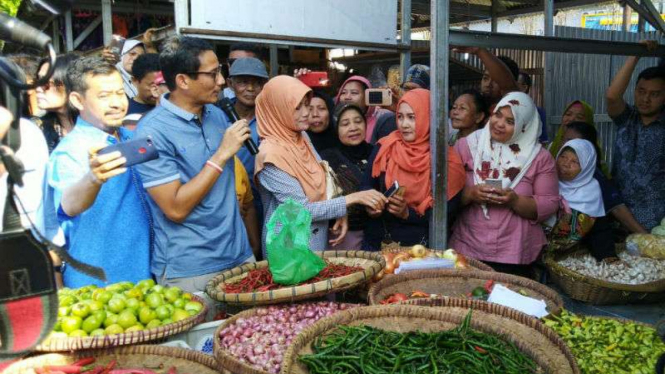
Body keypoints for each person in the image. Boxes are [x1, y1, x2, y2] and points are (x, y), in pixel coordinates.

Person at [134, 36, 254, 293]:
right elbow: (175, 208)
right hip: (191, 270)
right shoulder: (150, 132)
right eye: (213, 74)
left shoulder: (218, 114)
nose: (222, 82)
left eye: (220, 71)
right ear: (183, 81)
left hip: (239, 257)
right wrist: (221, 155)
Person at [44, 56, 151, 288]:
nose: (116, 103)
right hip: (98, 287)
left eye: (120, 93)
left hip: (147, 277)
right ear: (77, 100)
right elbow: (69, 206)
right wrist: (93, 178)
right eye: (104, 96)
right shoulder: (70, 152)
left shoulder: (132, 138)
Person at [254, 75, 388, 252]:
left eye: (306, 106)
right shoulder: (270, 156)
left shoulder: (301, 137)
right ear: (278, 109)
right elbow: (302, 211)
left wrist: (339, 211)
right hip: (289, 252)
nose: (306, 113)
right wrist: (351, 199)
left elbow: (324, 178)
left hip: (316, 243)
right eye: (297, 107)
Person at [449, 92, 559, 277]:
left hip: (515, 252)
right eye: (497, 115)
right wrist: (470, 194)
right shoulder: (467, 146)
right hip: (468, 246)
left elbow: (549, 204)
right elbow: (445, 192)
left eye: (510, 121)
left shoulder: (539, 157)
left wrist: (514, 201)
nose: (499, 123)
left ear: (525, 127)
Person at [362, 89, 466, 251]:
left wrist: (407, 214)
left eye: (412, 117)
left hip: (421, 249)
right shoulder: (385, 146)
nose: (404, 124)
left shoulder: (446, 161)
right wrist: (371, 205)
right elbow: (366, 185)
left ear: (428, 118)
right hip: (378, 242)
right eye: (400, 117)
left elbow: (445, 214)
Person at [606, 48, 665, 231]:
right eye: (641, 91)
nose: (645, 99)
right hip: (617, 219)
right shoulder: (627, 118)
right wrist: (635, 54)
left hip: (655, 225)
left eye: (654, 94)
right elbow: (612, 96)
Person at [563, 121, 648, 234]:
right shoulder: (551, 169)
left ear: (587, 146)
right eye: (564, 140)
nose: (566, 145)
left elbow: (617, 208)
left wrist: (647, 238)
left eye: (572, 141)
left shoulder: (595, 179)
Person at [548, 139, 616, 261]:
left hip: (568, 259)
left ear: (586, 167)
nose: (566, 164)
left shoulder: (590, 192)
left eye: (575, 161)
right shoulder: (545, 180)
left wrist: (608, 257)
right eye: (563, 157)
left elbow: (600, 231)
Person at [320, 103, 373, 249]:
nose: (353, 128)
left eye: (358, 121)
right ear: (336, 128)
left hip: (376, 232)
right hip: (343, 235)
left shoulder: (378, 152)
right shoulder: (327, 159)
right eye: (345, 123)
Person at [223, 57, 268, 180]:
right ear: (230, 84)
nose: (250, 88)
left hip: (259, 193)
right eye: (243, 82)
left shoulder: (270, 119)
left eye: (257, 83)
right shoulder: (217, 115)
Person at [33, 53, 80, 152]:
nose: (37, 88)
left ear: (69, 84)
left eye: (45, 83)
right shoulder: (35, 129)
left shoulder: (100, 125)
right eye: (38, 81)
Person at [336, 75, 397, 144]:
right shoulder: (334, 120)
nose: (347, 97)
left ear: (367, 97)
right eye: (343, 92)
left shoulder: (383, 119)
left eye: (354, 93)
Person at [517, 71, 548, 143]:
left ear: (524, 87)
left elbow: (543, 142)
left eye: (515, 84)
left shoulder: (538, 113)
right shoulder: (505, 109)